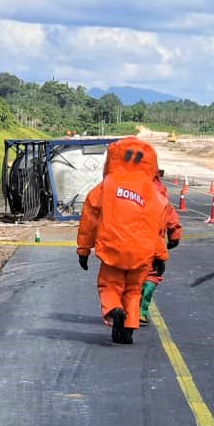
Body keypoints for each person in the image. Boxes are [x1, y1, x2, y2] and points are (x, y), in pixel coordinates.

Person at [77, 137, 169, 344]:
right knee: (134, 291)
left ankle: (114, 309)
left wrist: (83, 249)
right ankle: (128, 330)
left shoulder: (106, 186)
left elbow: (89, 219)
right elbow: (157, 228)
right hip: (142, 253)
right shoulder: (153, 193)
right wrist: (160, 256)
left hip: (112, 250)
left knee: (109, 286)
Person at [139, 171, 182, 325]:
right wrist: (174, 235)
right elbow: (169, 214)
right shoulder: (158, 189)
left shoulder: (120, 183)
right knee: (152, 274)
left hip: (124, 239)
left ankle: (120, 309)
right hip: (152, 242)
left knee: (121, 276)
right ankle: (141, 311)